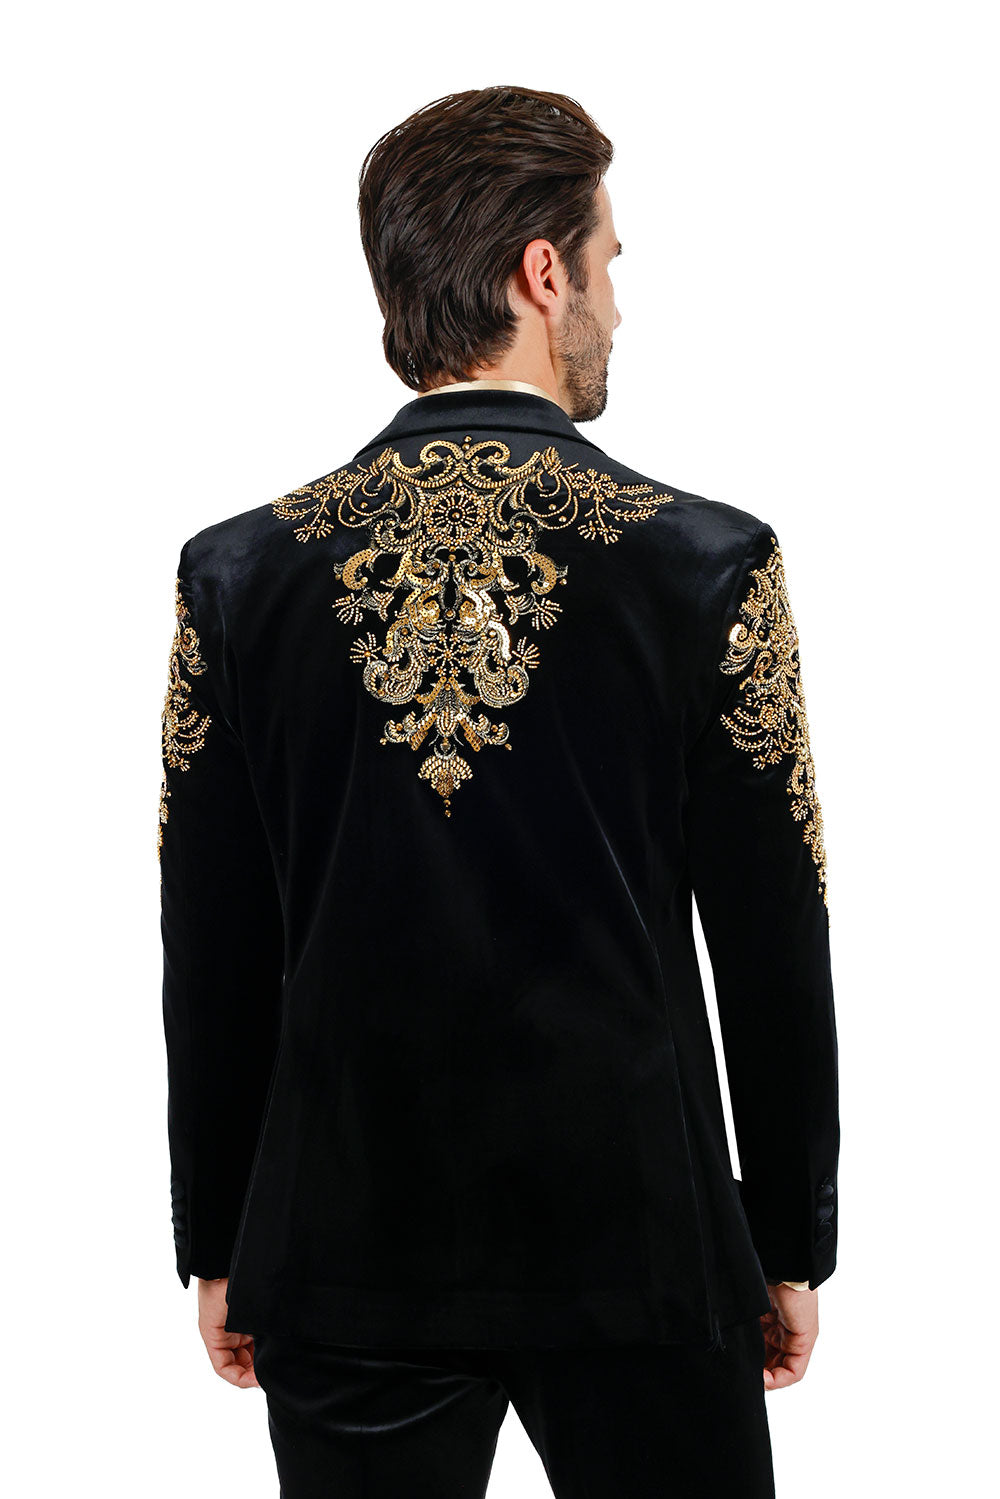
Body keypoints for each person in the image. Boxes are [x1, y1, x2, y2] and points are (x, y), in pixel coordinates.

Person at [157, 85, 839, 1498]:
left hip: (345, 1247)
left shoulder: (241, 574)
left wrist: (221, 1235)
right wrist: (785, 1238)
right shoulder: (705, 563)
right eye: (609, 263)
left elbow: (209, 942)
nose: (617, 306)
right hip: (642, 1247)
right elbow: (773, 935)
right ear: (544, 272)